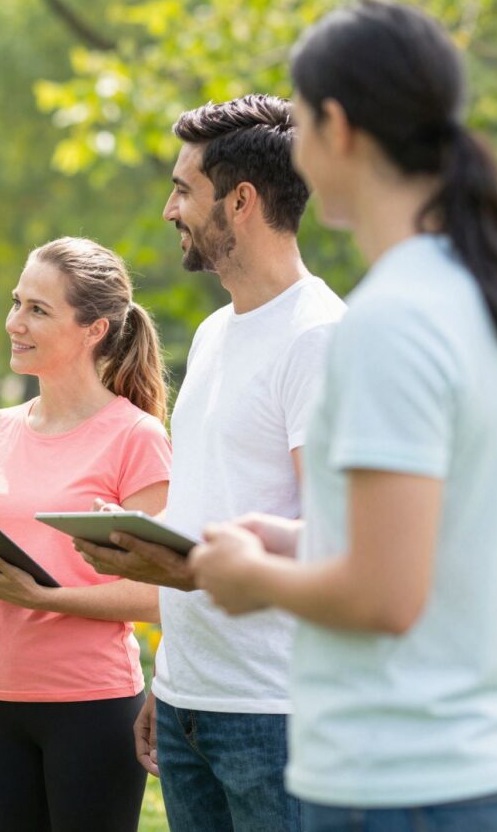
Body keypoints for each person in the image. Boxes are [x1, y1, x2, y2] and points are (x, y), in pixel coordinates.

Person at [191, 0, 497, 831]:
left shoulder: (391, 320)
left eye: (299, 121)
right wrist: (297, 540)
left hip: (399, 782)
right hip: (465, 769)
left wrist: (248, 578)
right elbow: (437, 547)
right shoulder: (474, 294)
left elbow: (385, 596)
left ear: (336, 127)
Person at [74, 95, 345, 831]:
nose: (170, 209)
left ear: (243, 201)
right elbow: (205, 508)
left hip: (275, 712)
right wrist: (169, 679)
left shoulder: (319, 340)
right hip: (193, 700)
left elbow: (333, 542)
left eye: (183, 189)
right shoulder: (216, 332)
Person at [0, 237, 171, 832]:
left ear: (93, 330)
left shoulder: (135, 439)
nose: (15, 322)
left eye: (38, 310)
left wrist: (44, 598)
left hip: (92, 706)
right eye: (17, 303)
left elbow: (161, 593)